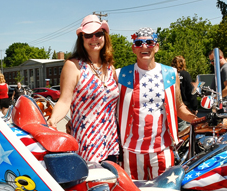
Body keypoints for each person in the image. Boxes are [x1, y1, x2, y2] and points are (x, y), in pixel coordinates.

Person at [116, 27, 200, 180]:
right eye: (139, 43)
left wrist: (197, 120)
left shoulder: (170, 73)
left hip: (162, 150)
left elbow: (179, 106)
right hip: (131, 151)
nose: (144, 47)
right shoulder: (121, 74)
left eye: (149, 42)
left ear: (157, 47)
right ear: (133, 48)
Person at [46, 14, 120, 163]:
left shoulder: (110, 68)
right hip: (87, 143)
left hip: (111, 142)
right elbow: (64, 101)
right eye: (88, 35)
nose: (94, 38)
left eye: (98, 34)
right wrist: (53, 119)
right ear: (81, 39)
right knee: (91, 185)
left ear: (104, 37)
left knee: (110, 185)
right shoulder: (73, 66)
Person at [171, 56, 197, 131]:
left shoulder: (169, 74)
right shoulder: (185, 74)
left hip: (171, 105)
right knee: (182, 129)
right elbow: (191, 91)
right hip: (182, 106)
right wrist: (194, 107)